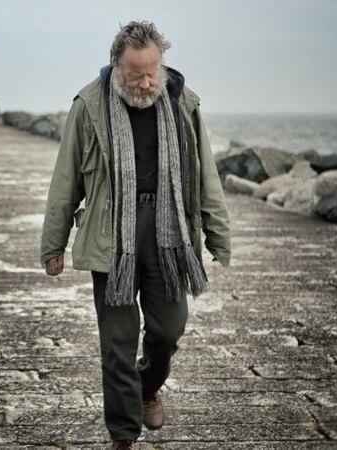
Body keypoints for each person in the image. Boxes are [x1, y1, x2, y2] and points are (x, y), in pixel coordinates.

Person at [39, 20, 230, 448]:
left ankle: (148, 386)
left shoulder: (182, 103)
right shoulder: (89, 106)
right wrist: (53, 244)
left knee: (169, 329)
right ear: (116, 67)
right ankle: (123, 436)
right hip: (113, 238)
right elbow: (65, 178)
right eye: (136, 74)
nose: (146, 82)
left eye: (152, 71)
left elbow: (206, 177)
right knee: (117, 345)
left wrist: (218, 235)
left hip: (168, 234)